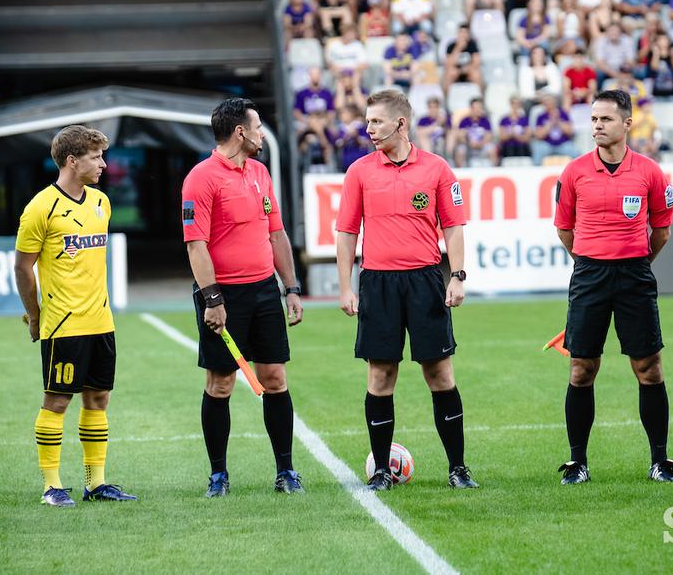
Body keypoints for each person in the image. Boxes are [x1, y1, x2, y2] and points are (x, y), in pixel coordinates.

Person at [335, 89, 477, 491]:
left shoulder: (436, 169)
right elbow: (347, 232)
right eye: (367, 121)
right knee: (381, 375)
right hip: (378, 283)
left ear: (401, 123)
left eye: (376, 121)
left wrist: (458, 275)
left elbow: (453, 227)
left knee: (439, 372)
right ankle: (381, 470)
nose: (368, 129)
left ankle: (458, 468)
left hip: (425, 280)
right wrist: (346, 286)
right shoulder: (359, 171)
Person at [553, 89, 673, 485]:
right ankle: (577, 463)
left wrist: (635, 262)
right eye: (593, 119)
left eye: (605, 119)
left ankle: (659, 461)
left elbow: (661, 230)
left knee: (649, 368)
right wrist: (591, 261)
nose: (597, 126)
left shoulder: (650, 172)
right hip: (589, 276)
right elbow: (564, 228)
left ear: (627, 124)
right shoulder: (573, 172)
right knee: (581, 369)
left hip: (634, 277)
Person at [181, 98, 305, 497]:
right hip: (223, 295)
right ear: (240, 132)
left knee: (274, 379)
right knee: (220, 384)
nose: (261, 134)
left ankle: (286, 472)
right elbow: (195, 245)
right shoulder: (200, 179)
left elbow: (276, 233)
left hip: (265, 291)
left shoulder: (260, 172)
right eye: (257, 127)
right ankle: (218, 475)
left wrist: (291, 288)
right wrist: (213, 299)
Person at [14, 125, 136, 507]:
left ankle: (95, 484)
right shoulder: (40, 208)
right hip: (63, 326)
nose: (103, 164)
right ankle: (52, 486)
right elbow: (22, 267)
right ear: (72, 161)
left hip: (101, 321)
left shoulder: (102, 202)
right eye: (96, 157)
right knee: (57, 402)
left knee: (98, 399)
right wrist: (34, 316)